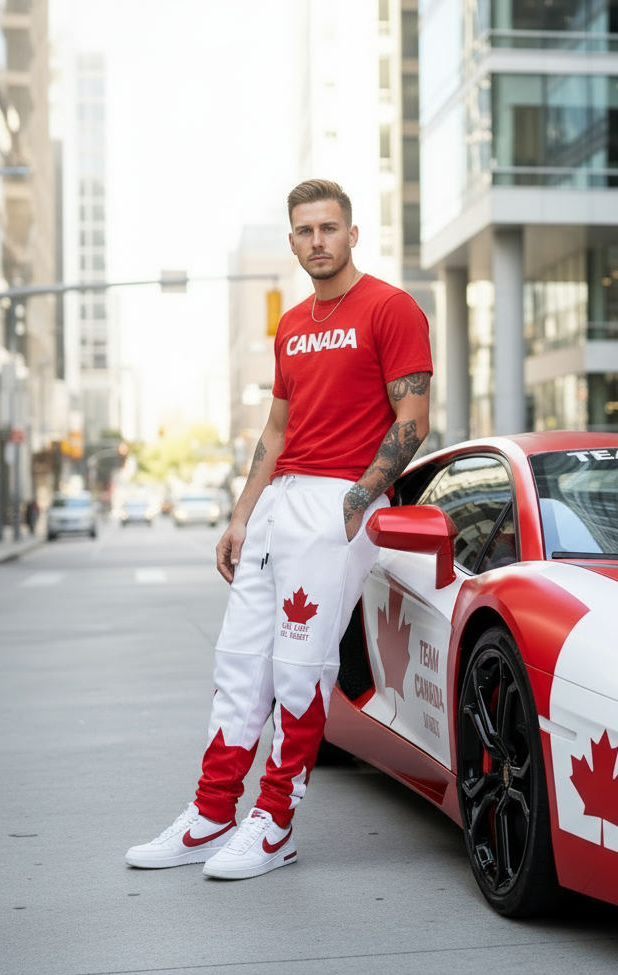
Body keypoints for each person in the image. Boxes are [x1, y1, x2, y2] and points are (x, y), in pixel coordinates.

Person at [126, 179, 432, 880]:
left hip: (339, 501)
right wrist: (241, 514)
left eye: (329, 228)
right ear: (292, 240)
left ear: (352, 234)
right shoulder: (292, 324)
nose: (317, 241)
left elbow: (411, 420)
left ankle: (275, 821)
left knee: (300, 667)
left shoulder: (391, 308)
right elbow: (277, 428)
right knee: (238, 663)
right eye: (304, 231)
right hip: (278, 502)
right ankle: (210, 814)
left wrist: (357, 501)